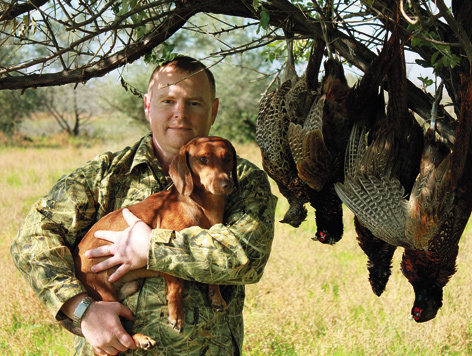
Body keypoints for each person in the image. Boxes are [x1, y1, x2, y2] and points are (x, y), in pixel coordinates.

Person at [11, 56, 277, 355]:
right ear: (148, 106)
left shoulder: (241, 179)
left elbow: (246, 258)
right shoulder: (105, 173)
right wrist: (82, 309)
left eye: (194, 103)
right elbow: (32, 239)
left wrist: (150, 247)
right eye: (167, 101)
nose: (180, 114)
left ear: (212, 110)